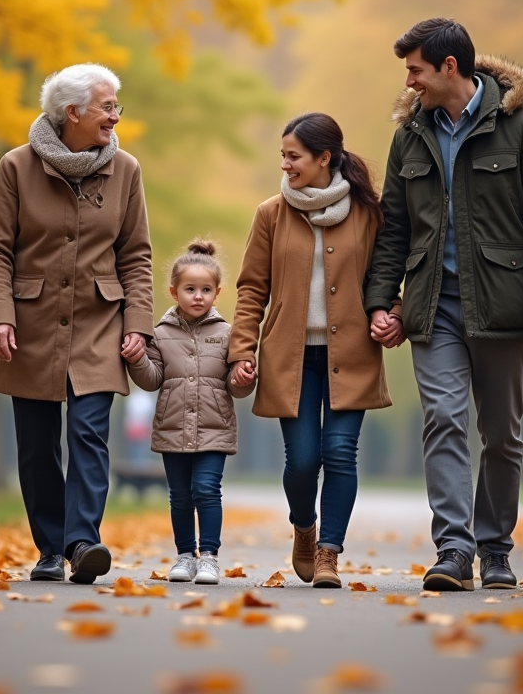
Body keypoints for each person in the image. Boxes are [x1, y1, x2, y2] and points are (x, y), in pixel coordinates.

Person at [365, 18, 523, 591]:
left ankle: (495, 549)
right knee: (443, 419)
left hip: (505, 307)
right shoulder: (410, 137)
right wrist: (381, 301)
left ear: (449, 67)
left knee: (502, 435)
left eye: (416, 70)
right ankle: (455, 549)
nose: (409, 82)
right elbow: (394, 229)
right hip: (433, 307)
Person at [0, 63, 153, 584]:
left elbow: (136, 255)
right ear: (71, 112)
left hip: (99, 324)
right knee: (36, 445)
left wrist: (137, 324)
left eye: (117, 106)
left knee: (88, 432)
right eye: (107, 107)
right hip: (28, 326)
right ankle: (50, 548)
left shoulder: (126, 169)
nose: (115, 117)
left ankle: (82, 542)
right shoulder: (16, 166)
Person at [229, 113, 396, 589]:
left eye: (294, 156)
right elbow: (251, 289)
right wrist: (242, 350)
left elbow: (386, 276)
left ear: (325, 158)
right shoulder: (271, 214)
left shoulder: (368, 213)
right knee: (302, 461)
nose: (285, 165)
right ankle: (304, 526)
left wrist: (394, 312)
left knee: (340, 453)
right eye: (282, 155)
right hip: (292, 357)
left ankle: (329, 552)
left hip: (354, 354)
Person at [127, 239, 253, 585]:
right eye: (190, 289)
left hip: (215, 428)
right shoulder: (159, 334)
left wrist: (243, 377)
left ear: (217, 293)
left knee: (206, 489)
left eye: (206, 290)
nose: (198, 296)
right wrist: (137, 359)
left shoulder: (227, 333)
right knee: (180, 496)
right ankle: (185, 555)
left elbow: (236, 386)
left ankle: (209, 557)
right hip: (173, 427)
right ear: (174, 291)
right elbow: (152, 380)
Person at [123, 388, 157, 465]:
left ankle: (139, 465)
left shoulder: (134, 398)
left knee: (138, 448)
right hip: (138, 427)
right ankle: (139, 465)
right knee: (139, 449)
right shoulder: (144, 398)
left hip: (137, 427)